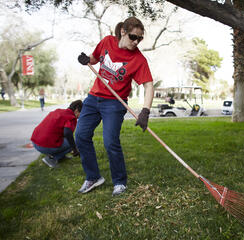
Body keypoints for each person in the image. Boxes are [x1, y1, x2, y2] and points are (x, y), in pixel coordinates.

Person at [76, 16, 154, 196]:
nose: (136, 42)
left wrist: (145, 111)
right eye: (133, 37)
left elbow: (148, 85)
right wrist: (85, 58)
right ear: (123, 32)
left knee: (110, 141)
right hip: (93, 98)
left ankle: (119, 182)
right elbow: (95, 58)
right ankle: (93, 177)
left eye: (140, 39)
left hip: (115, 103)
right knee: (80, 136)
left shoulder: (138, 60)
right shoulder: (107, 42)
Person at [31, 100, 83, 168]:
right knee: (75, 142)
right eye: (81, 113)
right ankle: (52, 159)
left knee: (66, 140)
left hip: (35, 142)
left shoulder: (58, 111)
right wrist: (74, 149)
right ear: (76, 110)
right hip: (43, 146)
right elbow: (67, 133)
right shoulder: (71, 117)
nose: (80, 116)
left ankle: (61, 157)